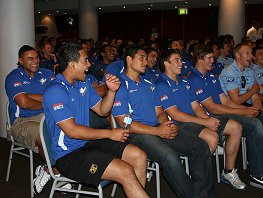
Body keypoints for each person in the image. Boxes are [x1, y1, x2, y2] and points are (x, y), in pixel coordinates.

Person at [42, 42, 149, 198]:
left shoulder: (83, 83)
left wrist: (111, 92)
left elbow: (102, 110)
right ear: (72, 65)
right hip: (69, 156)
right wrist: (109, 134)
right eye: (85, 61)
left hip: (88, 144)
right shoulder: (55, 91)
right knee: (125, 171)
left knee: (139, 155)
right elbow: (72, 131)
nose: (89, 64)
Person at [112, 45, 215, 198]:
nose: (146, 62)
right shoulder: (120, 85)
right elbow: (124, 122)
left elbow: (159, 111)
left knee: (200, 146)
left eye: (146, 59)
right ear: (129, 59)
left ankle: (202, 194)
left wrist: (164, 124)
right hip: (136, 134)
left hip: (156, 128)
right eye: (142, 58)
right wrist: (157, 131)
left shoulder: (148, 85)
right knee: (170, 157)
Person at [188, 43, 263, 193]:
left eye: (212, 58)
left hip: (222, 111)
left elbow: (226, 101)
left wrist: (247, 109)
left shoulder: (211, 77)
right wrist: (243, 112)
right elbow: (212, 107)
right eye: (209, 58)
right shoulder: (194, 79)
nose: (212, 61)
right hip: (210, 116)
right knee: (254, 124)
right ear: (199, 59)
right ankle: (258, 174)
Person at [156, 49, 246, 190]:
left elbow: (196, 107)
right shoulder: (162, 84)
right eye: (177, 60)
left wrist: (208, 119)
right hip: (178, 124)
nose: (181, 63)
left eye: (181, 59)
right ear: (166, 63)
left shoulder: (185, 82)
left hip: (192, 120)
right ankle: (198, 183)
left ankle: (209, 177)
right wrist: (204, 122)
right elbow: (175, 115)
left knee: (231, 128)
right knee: (211, 138)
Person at [218, 43, 263, 176]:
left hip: (245, 105)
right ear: (237, 56)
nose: (250, 57)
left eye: (250, 53)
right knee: (259, 123)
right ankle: (261, 166)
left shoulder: (248, 71)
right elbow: (236, 100)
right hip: (231, 108)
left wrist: (260, 111)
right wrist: (253, 91)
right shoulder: (229, 72)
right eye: (246, 53)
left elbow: (254, 96)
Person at [5, 45, 59, 194]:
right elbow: (24, 103)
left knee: (66, 132)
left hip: (47, 116)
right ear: (20, 61)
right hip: (22, 121)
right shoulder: (14, 77)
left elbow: (59, 94)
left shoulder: (47, 73)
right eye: (30, 58)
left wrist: (34, 97)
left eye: (36, 58)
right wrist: (49, 101)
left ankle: (47, 169)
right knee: (45, 137)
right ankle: (57, 173)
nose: (35, 61)